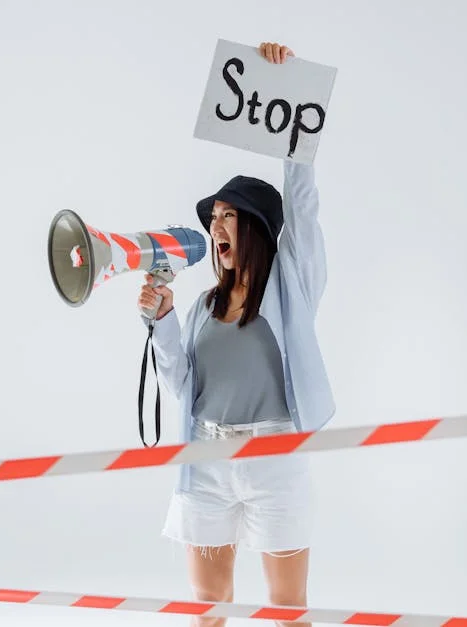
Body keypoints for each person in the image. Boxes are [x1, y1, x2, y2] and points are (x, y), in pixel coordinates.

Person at [138, 41, 336, 627]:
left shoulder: (292, 288)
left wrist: (288, 91)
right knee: (208, 611)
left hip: (276, 458)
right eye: (213, 217)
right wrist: (161, 321)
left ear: (254, 227)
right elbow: (180, 385)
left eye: (227, 216)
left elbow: (302, 204)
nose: (214, 227)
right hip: (207, 456)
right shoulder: (201, 306)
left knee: (286, 611)